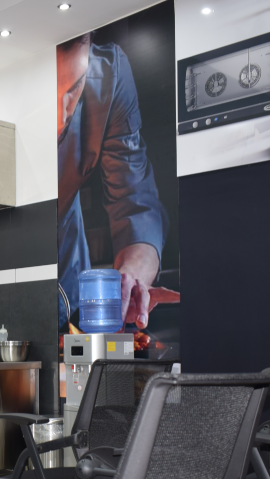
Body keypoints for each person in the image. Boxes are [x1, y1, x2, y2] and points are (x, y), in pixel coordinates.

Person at [58, 32, 179, 331]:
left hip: (67, 283)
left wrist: (131, 276)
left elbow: (135, 205)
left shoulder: (109, 75)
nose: (60, 119)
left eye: (72, 91)